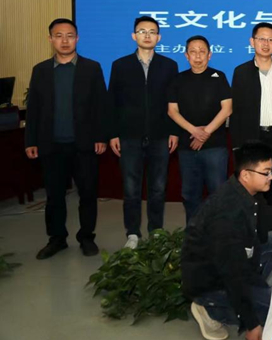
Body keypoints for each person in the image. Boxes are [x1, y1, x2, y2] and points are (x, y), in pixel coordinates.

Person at [182, 141, 272, 340]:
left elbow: (266, 228)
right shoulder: (226, 213)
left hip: (237, 262)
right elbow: (231, 272)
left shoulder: (247, 192)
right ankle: (209, 308)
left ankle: (255, 291)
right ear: (246, 175)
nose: (271, 176)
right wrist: (251, 324)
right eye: (266, 172)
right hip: (214, 281)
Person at [25, 18, 108, 259]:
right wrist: (30, 140)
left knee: (88, 193)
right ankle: (57, 238)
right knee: (54, 196)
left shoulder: (91, 68)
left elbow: (100, 106)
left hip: (84, 144)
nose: (64, 41)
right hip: (51, 144)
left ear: (77, 39)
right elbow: (33, 109)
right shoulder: (40, 70)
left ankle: (86, 237)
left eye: (70, 36)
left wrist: (101, 136)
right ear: (50, 39)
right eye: (59, 36)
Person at [108, 15, 179, 249]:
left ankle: (156, 230)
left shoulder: (169, 65)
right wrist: (113, 133)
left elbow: (173, 103)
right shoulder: (120, 65)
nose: (147, 35)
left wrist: (174, 132)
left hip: (160, 135)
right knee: (131, 189)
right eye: (142, 31)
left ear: (159, 37)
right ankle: (132, 233)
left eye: (152, 32)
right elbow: (113, 102)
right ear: (134, 36)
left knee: (158, 188)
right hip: (129, 136)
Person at [230, 22, 272, 198]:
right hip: (252, 138)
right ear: (252, 41)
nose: (266, 44)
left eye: (271, 40)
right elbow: (236, 111)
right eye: (261, 39)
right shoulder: (241, 72)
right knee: (252, 187)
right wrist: (238, 144)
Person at [167, 35, 232, 223]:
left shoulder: (219, 77)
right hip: (187, 147)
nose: (198, 56)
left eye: (202, 52)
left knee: (218, 193)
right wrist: (194, 131)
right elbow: (172, 111)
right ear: (186, 55)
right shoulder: (178, 79)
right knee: (190, 194)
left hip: (215, 146)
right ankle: (194, 232)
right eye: (193, 52)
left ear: (209, 55)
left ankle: (217, 233)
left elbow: (227, 108)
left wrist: (205, 132)